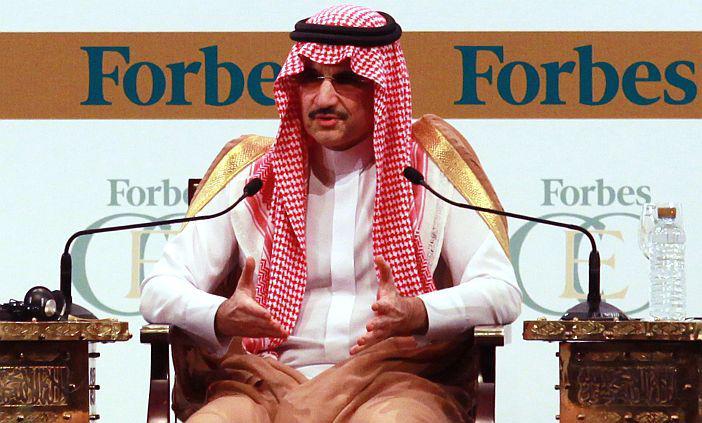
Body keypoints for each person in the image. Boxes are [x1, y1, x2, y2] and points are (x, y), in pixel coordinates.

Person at [140, 5, 521, 423]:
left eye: (346, 79)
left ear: (382, 86)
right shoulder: (254, 177)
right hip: (264, 381)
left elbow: (500, 292)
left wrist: (417, 312)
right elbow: (158, 290)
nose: (323, 98)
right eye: (310, 78)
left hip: (393, 380)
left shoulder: (426, 172)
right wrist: (220, 315)